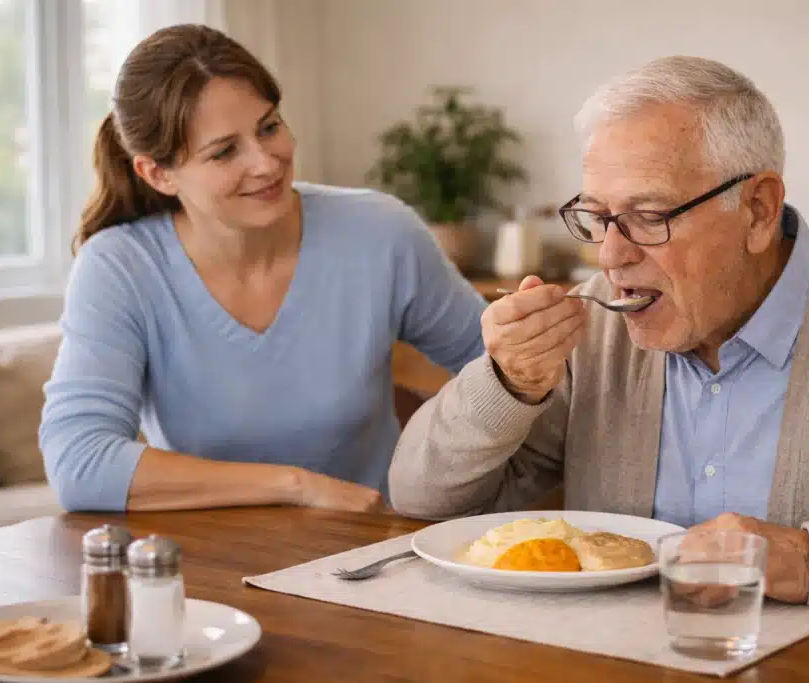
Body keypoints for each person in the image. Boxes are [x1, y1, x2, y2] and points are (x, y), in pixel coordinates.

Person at [388, 56, 809, 617]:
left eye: (649, 217)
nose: (609, 256)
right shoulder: (596, 331)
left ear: (758, 210)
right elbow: (421, 498)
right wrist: (508, 384)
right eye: (599, 217)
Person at [39, 24, 486, 514]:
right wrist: (295, 485)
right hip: (206, 566)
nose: (266, 163)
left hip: (369, 555)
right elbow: (79, 462)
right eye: (225, 151)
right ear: (158, 173)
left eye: (269, 127)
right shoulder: (121, 268)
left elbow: (494, 362)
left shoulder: (379, 233)